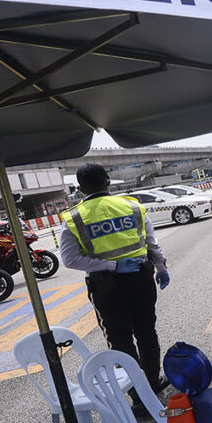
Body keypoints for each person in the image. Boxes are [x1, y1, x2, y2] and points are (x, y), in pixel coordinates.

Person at [59, 163, 171, 405]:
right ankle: (152, 383)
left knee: (120, 340)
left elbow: (69, 260)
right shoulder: (132, 206)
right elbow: (152, 244)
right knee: (146, 331)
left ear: (79, 189)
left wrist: (111, 266)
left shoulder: (74, 218)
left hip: (105, 287)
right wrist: (161, 268)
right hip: (141, 279)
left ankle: (138, 395)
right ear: (108, 182)